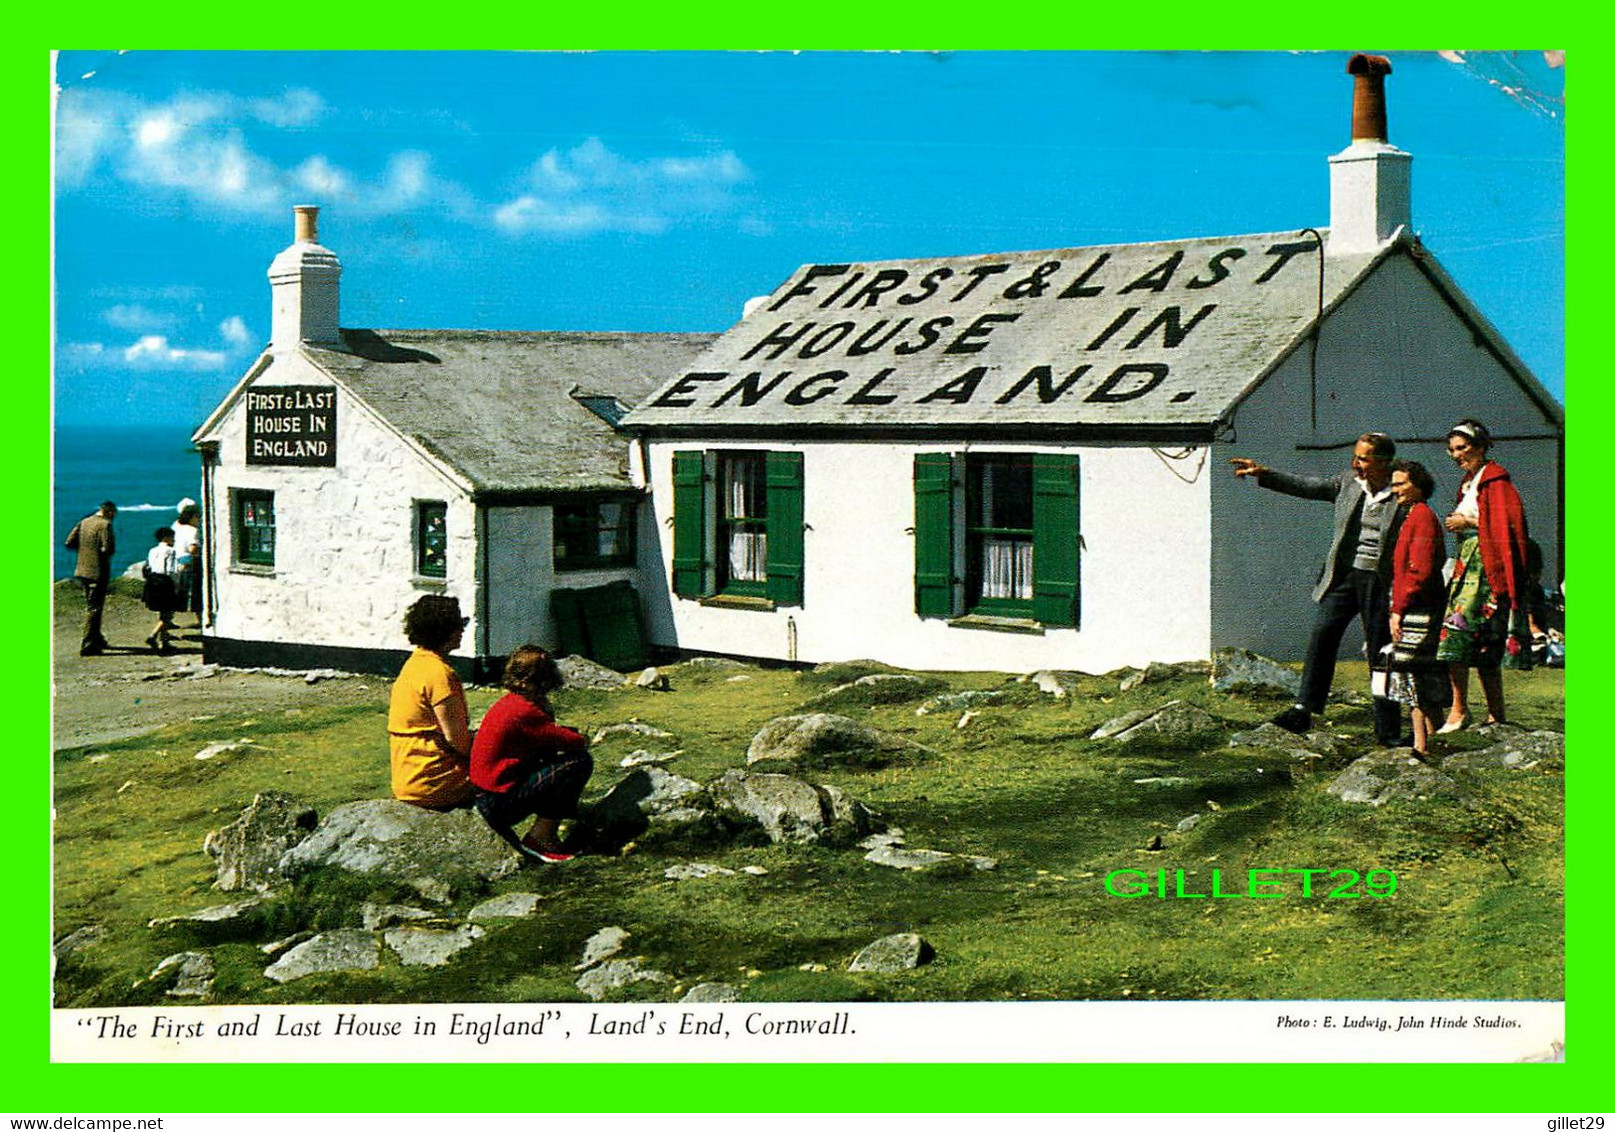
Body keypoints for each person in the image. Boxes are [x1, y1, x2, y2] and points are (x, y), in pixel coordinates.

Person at [1228, 433, 1403, 743]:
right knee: (1322, 636)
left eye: (1363, 458)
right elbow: (1309, 486)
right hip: (1344, 577)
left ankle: (1387, 729)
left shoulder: (1401, 492)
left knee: (1380, 652)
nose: (1355, 463)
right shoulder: (1349, 482)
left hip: (1378, 580)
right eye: (1356, 456)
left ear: (1383, 462)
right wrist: (1264, 474)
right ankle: (1303, 709)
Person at [1435, 419, 1533, 732]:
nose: (1456, 455)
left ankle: (1491, 712)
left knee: (1475, 637)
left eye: (1462, 448)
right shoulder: (1470, 482)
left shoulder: (1495, 482)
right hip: (1468, 565)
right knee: (1458, 635)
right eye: (1452, 450)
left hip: (1485, 569)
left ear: (1479, 446)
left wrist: (1468, 524)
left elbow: (1506, 527)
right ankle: (1460, 708)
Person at [470, 646, 592, 863]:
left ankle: (546, 830)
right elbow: (573, 742)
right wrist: (581, 738)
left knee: (552, 761)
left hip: (485, 793)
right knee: (579, 762)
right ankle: (541, 837)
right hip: (498, 801)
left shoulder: (510, 703)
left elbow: (546, 738)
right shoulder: (525, 711)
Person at [387, 594, 475, 809]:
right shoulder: (440, 675)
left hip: (406, 776)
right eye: (457, 626)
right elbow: (459, 741)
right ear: (444, 632)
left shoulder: (414, 664)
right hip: (434, 780)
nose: (462, 631)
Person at [1386, 460, 1448, 756]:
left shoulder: (1421, 517)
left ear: (1418, 485)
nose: (1394, 488)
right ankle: (1429, 739)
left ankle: (1422, 744)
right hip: (1417, 604)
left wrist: (1398, 608)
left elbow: (1419, 570)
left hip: (1419, 607)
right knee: (1417, 673)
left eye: (1401, 483)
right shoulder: (1414, 516)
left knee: (1412, 673)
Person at [65, 501, 117, 656]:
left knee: (92, 603)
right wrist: (98, 552)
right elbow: (108, 549)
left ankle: (98, 638)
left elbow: (69, 542)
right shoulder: (105, 525)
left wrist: (85, 550)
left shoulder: (84, 521)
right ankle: (88, 644)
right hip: (97, 572)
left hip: (82, 569)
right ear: (109, 512)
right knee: (94, 608)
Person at [142, 527, 180, 654]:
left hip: (152, 580)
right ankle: (153, 635)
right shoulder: (171, 551)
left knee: (162, 612)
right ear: (166, 538)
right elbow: (171, 570)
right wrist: (176, 585)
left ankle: (165, 642)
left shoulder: (152, 550)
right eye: (172, 537)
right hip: (165, 581)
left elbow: (149, 566)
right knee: (168, 613)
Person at [172, 499, 202, 630]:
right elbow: (192, 549)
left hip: (175, 560)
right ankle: (200, 619)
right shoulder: (193, 531)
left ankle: (167, 620)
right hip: (190, 562)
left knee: (177, 592)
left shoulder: (175, 525)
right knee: (195, 591)